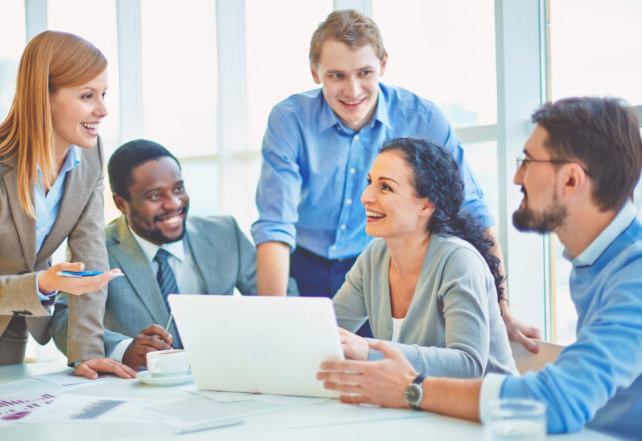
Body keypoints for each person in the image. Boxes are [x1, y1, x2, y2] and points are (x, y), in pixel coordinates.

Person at [317, 97, 642, 440]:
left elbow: (554, 403)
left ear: (572, 181)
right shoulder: (596, 263)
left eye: (528, 162)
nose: (517, 176)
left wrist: (412, 389)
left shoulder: (634, 276)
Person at [251, 9, 539, 349]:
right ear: (315, 73)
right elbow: (275, 228)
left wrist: (501, 312)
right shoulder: (289, 120)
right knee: (300, 359)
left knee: (379, 366)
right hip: (304, 264)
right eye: (336, 76)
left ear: (383, 65)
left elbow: (472, 212)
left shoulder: (423, 117)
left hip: (379, 266)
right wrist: (268, 327)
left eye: (365, 72)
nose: (353, 90)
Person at [0, 31, 134, 379]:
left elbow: (90, 257)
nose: (103, 110)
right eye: (87, 96)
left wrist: (86, 354)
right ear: (43, 97)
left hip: (13, 317)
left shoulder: (90, 157)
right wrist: (44, 283)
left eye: (103, 94)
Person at [52, 139, 298, 370]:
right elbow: (64, 320)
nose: (173, 204)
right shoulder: (96, 249)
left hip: (223, 378)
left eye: (178, 189)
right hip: (141, 391)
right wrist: (123, 349)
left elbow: (282, 298)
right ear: (121, 204)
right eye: (155, 196)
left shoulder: (226, 234)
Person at [333, 138, 517, 378]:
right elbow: (327, 332)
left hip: (488, 411)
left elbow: (469, 366)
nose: (366, 196)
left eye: (386, 187)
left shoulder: (459, 261)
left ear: (427, 205)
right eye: (370, 182)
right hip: (421, 410)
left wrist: (369, 351)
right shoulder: (374, 257)